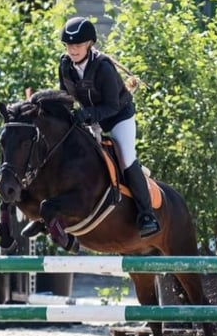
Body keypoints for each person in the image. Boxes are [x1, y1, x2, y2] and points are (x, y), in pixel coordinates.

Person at [55, 15, 160, 237]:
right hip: (90, 118)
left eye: (78, 45)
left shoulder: (103, 67)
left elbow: (112, 105)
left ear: (89, 44)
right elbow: (64, 96)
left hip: (118, 117)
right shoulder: (65, 65)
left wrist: (89, 115)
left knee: (126, 159)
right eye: (69, 45)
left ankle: (146, 214)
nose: (72, 50)